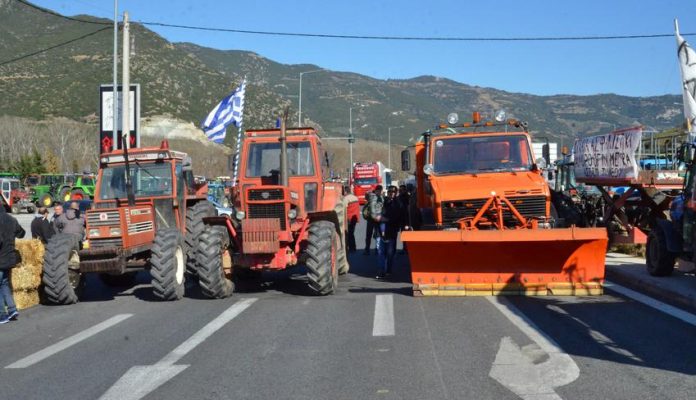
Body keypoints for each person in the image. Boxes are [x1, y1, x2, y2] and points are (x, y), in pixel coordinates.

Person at [0, 205, 26, 324]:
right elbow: (21, 233)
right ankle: (12, 309)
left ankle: (2, 315)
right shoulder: (11, 219)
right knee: (4, 284)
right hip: (9, 258)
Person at [376, 186, 405, 278]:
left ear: (396, 193)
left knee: (390, 253)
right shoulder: (384, 201)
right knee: (381, 252)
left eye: (393, 192)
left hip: (392, 230)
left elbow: (398, 217)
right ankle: (381, 270)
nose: (391, 194)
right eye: (389, 192)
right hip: (382, 230)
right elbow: (378, 212)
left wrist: (386, 219)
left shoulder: (398, 203)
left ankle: (388, 269)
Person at [363, 185, 383, 255]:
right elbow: (366, 196)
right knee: (370, 235)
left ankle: (375, 249)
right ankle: (368, 249)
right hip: (372, 219)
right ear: (377, 190)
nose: (380, 192)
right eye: (379, 190)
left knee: (377, 235)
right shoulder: (372, 196)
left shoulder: (381, 197)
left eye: (381, 191)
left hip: (376, 219)